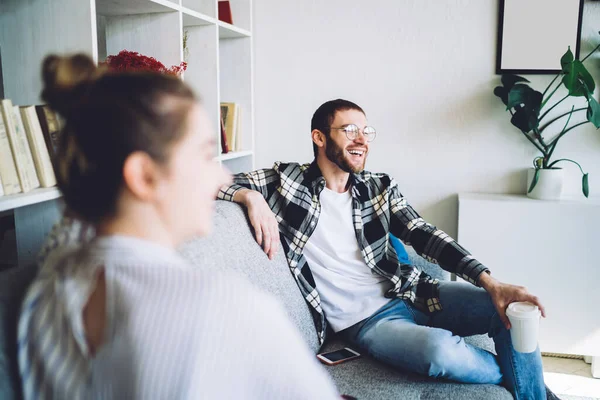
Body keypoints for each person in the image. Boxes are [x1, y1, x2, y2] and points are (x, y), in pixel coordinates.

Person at [17, 54, 340, 400]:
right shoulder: (226, 310)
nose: (223, 176)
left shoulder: (50, 284)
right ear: (144, 175)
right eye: (204, 155)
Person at [218, 98, 560, 400]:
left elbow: (424, 234)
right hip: (368, 323)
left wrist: (491, 282)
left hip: (415, 292)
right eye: (349, 130)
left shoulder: (379, 187)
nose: (362, 139)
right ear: (319, 137)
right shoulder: (286, 183)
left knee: (513, 309)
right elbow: (211, 178)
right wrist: (247, 195)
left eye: (367, 131)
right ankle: (528, 383)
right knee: (439, 353)